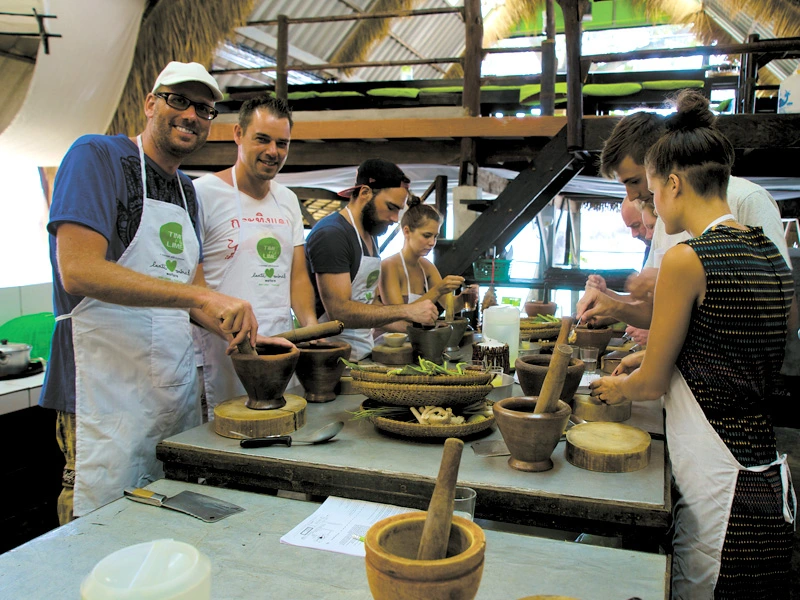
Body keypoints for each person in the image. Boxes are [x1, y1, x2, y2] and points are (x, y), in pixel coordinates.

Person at [584, 91, 796, 598]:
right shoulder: (764, 247)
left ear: (674, 184)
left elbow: (653, 382)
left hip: (716, 483)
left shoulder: (687, 260)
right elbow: (725, 343)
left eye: (651, 191)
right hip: (762, 475)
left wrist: (613, 389)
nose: (649, 205)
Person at [39, 62, 261, 523]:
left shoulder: (186, 192)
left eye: (204, 108)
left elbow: (194, 289)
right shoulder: (96, 157)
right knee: (99, 523)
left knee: (164, 518)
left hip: (170, 395)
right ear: (150, 104)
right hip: (103, 392)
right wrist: (200, 300)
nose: (192, 115)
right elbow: (77, 271)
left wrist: (235, 329)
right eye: (179, 100)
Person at [579, 100, 790, 329]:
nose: (631, 196)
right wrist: (612, 305)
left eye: (636, 181)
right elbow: (659, 313)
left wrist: (679, 281)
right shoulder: (665, 219)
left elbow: (781, 304)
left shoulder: (747, 199)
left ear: (658, 161)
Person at [193, 96, 314, 418]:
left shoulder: (287, 200)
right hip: (224, 349)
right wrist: (235, 333)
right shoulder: (202, 194)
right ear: (238, 134)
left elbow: (297, 276)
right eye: (262, 139)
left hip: (280, 346)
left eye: (282, 143)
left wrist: (311, 329)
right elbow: (193, 285)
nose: (273, 151)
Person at [305, 159, 439, 359]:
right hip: (330, 358)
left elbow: (369, 304)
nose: (395, 218)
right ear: (365, 193)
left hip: (361, 351)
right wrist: (407, 311)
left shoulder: (370, 236)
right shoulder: (332, 234)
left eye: (398, 210)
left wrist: (412, 329)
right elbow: (339, 312)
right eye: (391, 207)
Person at [377, 197, 477, 334]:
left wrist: (464, 297)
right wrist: (438, 290)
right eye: (427, 235)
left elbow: (449, 306)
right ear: (406, 231)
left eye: (435, 236)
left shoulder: (426, 266)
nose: (432, 242)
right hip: (389, 344)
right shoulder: (389, 266)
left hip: (416, 339)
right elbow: (399, 316)